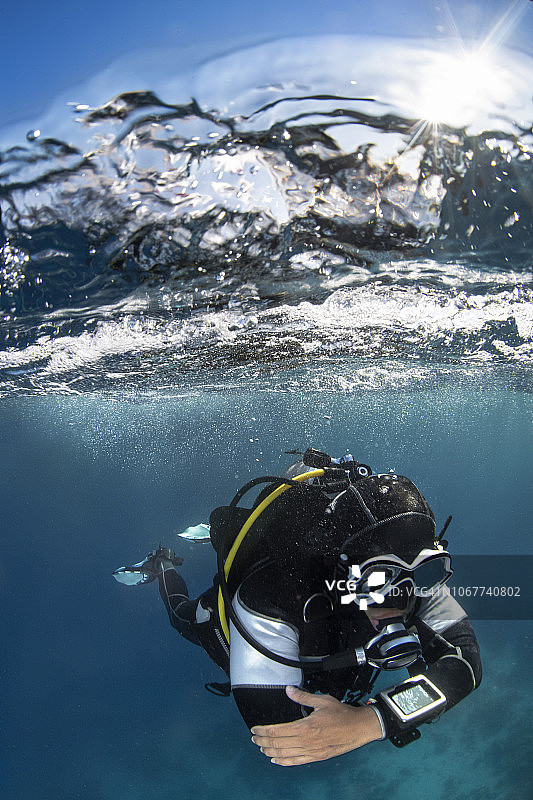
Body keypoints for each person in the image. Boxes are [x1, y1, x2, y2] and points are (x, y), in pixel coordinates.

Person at [113, 448, 482, 766]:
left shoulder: (408, 576)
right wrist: (369, 719)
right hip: (224, 622)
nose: (400, 599)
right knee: (182, 618)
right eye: (378, 580)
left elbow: (465, 663)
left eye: (425, 569)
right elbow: (278, 733)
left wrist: (376, 719)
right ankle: (161, 564)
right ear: (343, 569)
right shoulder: (272, 593)